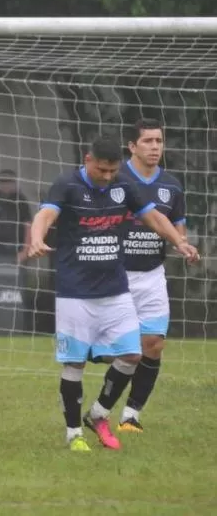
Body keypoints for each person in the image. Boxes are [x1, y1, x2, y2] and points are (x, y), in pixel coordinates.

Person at [26, 134, 197, 452]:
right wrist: (36, 238)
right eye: (102, 170)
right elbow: (46, 214)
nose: (107, 177)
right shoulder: (67, 185)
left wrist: (179, 241)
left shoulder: (123, 186)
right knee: (74, 363)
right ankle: (73, 432)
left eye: (112, 171)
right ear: (88, 160)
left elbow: (154, 217)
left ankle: (99, 413)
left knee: (133, 354)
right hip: (75, 291)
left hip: (115, 289)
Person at [114, 119, 188, 432]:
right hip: (114, 274)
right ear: (132, 146)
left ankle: (131, 415)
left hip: (152, 275)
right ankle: (102, 405)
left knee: (153, 344)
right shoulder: (114, 179)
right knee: (118, 350)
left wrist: (184, 246)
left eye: (159, 141)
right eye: (148, 141)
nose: (155, 147)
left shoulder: (171, 185)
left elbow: (178, 231)